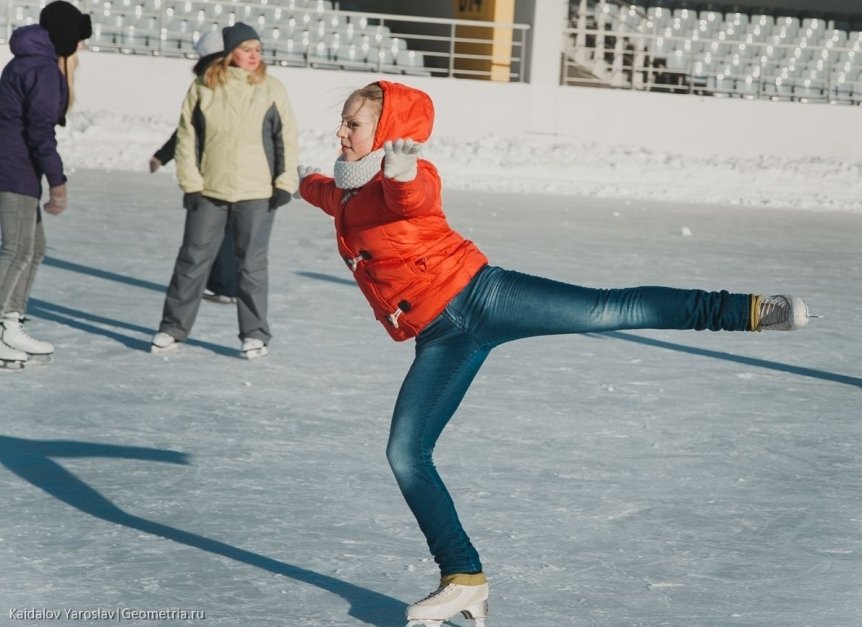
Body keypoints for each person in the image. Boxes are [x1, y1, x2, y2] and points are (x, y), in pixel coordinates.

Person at [296, 80, 811, 625]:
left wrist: (400, 176)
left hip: (484, 297)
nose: (341, 131)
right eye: (344, 121)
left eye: (353, 123)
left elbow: (413, 196)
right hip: (441, 338)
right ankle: (463, 578)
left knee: (609, 309)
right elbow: (324, 191)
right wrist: (296, 178)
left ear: (387, 133)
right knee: (405, 452)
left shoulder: (411, 175)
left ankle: (749, 311)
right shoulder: (348, 192)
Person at [151, 22, 298, 360]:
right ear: (230, 52)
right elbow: (187, 138)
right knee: (192, 260)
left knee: (251, 266)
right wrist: (191, 183)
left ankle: (255, 334)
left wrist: (284, 182)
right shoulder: (203, 87)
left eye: (258, 50)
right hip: (209, 191)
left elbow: (286, 137)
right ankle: (172, 328)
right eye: (247, 49)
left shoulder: (271, 88)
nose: (254, 56)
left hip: (258, 192)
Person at [0, 0, 91, 369]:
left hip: (16, 167)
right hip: (14, 169)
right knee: (18, 249)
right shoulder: (42, 69)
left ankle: (10, 321)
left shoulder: (29, 62)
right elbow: (40, 131)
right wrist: (58, 181)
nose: (82, 47)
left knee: (33, 248)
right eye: (80, 40)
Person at [148, 30, 236, 306]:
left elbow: (188, 129)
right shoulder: (222, 82)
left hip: (218, 170)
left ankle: (225, 285)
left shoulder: (216, 85)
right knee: (223, 230)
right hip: (225, 168)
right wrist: (163, 155)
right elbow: (188, 128)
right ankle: (223, 284)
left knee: (216, 231)